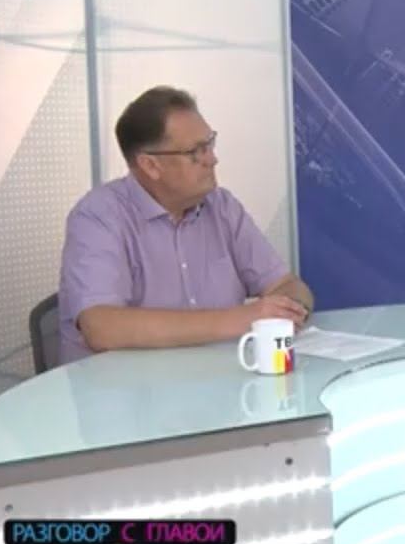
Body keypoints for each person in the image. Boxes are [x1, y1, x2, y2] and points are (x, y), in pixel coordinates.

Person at [58, 86, 313, 364]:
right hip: (127, 387)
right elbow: (102, 327)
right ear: (150, 165)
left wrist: (288, 310)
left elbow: (285, 284)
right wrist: (241, 318)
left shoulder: (221, 206)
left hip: (219, 379)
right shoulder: (98, 217)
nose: (212, 159)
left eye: (210, 144)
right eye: (196, 151)